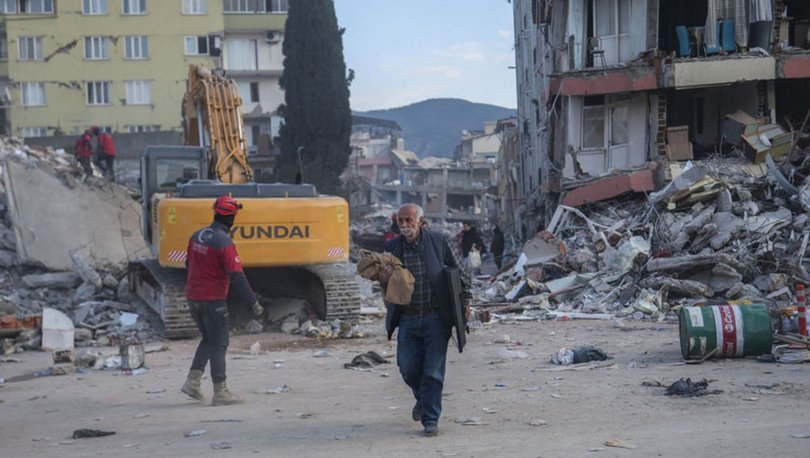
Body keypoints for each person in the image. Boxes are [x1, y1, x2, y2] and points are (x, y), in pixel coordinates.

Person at [379, 203, 471, 437]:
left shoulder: (438, 241)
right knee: (408, 369)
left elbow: (460, 272)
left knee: (432, 372)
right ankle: (423, 398)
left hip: (435, 317)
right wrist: (383, 278)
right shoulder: (391, 247)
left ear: (420, 221)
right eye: (401, 221)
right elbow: (384, 285)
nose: (405, 225)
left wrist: (466, 301)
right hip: (408, 318)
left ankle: (431, 419)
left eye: (409, 220)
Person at [180, 195, 264, 406]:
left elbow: (188, 263)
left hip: (193, 297)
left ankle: (192, 382)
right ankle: (221, 392)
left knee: (208, 339)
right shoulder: (224, 242)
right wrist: (252, 300)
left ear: (215, 212)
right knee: (219, 342)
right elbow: (237, 275)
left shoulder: (196, 235)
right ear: (232, 219)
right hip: (213, 300)